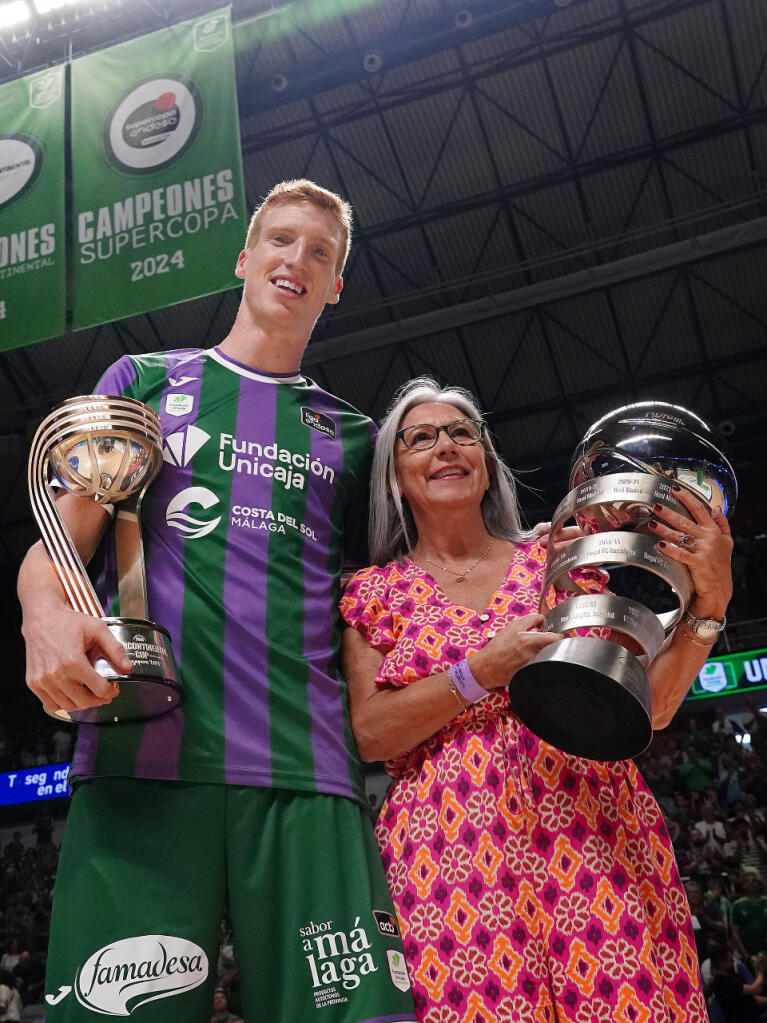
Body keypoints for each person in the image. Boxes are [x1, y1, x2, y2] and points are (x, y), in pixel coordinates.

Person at [17, 180, 416, 1023]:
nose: (295, 261)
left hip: (306, 776)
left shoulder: (351, 437)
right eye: (279, 240)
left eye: (320, 252)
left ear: (336, 283)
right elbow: (57, 548)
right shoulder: (147, 382)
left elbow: (387, 601)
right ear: (243, 257)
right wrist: (45, 619)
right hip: (143, 763)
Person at [340, 377, 734, 1022]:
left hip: (595, 832)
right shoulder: (373, 594)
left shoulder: (563, 561)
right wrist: (481, 670)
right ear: (393, 477)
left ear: (488, 464)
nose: (446, 446)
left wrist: (710, 604)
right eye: (421, 438)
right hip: (449, 855)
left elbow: (653, 708)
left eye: (463, 434)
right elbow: (370, 734)